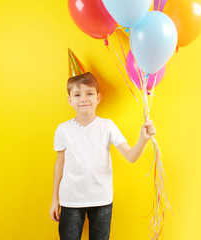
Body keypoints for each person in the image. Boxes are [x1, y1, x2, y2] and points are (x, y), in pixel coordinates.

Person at [49, 72, 156, 240]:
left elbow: (130, 156)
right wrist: (55, 199)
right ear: (70, 100)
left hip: (101, 200)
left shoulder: (107, 126)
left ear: (98, 98)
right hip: (70, 200)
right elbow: (59, 165)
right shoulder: (63, 130)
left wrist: (143, 139)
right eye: (77, 95)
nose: (84, 98)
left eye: (89, 93)